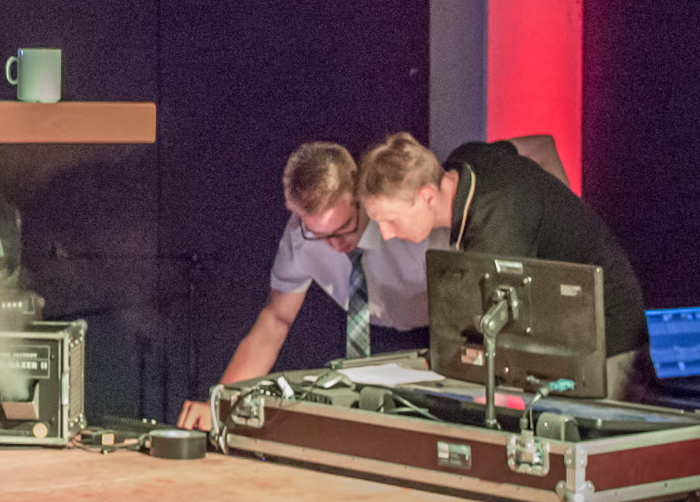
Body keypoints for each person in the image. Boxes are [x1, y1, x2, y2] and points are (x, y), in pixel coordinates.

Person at [356, 132, 649, 401]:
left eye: (390, 220)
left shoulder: (495, 228)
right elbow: (541, 146)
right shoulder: (467, 158)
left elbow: (500, 345)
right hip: (567, 325)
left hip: (605, 334)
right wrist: (558, 213)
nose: (386, 234)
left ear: (427, 196)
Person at [177, 142, 445, 430]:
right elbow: (275, 321)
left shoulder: (408, 220)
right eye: (320, 234)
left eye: (345, 226)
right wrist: (220, 406)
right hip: (368, 346)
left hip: (435, 339)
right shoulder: (300, 236)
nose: (335, 244)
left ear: (360, 194)